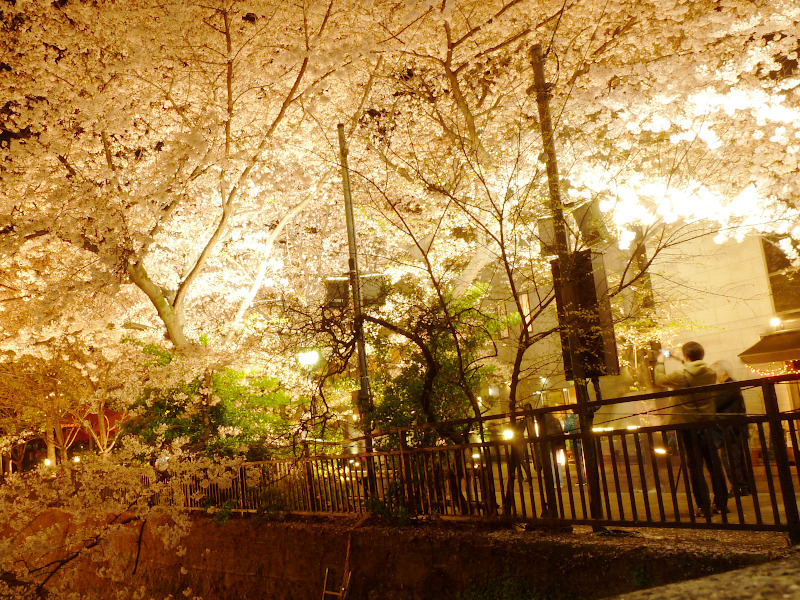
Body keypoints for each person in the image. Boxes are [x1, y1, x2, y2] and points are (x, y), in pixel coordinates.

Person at [654, 341, 728, 518]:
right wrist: (682, 359)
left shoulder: (681, 376)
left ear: (687, 356)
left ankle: (703, 506)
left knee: (695, 467)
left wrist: (660, 361)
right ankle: (722, 503)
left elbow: (660, 380)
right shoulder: (710, 373)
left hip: (689, 425)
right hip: (707, 424)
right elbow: (695, 370)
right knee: (714, 464)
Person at [711, 360, 751, 496]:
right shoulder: (730, 385)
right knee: (735, 458)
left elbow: (716, 403)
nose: (714, 374)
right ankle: (743, 486)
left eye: (715, 371)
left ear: (723, 372)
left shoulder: (729, 386)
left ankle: (740, 487)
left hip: (731, 429)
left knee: (731, 459)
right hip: (733, 428)